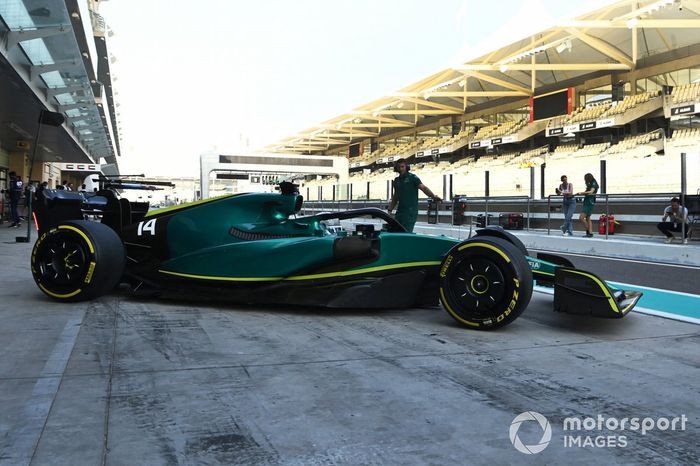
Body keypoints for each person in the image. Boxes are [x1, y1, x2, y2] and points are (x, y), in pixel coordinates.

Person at [388, 158, 441, 232]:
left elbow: (423, 188)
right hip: (400, 212)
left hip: (410, 212)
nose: (401, 169)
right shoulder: (396, 181)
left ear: (406, 167)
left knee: (406, 233)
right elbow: (395, 197)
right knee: (396, 231)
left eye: (402, 167)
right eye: (399, 167)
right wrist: (390, 209)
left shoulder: (412, 177)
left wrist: (433, 196)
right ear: (396, 168)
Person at [576, 173, 599, 238]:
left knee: (581, 218)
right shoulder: (589, 184)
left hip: (590, 202)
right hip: (587, 201)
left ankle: (588, 231)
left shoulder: (594, 183)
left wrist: (581, 192)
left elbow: (591, 192)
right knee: (588, 218)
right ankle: (590, 233)